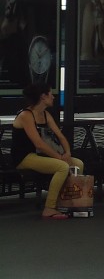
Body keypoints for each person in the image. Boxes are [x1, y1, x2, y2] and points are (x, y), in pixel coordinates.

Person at [10, 82, 84, 219]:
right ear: (43, 96)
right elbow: (38, 143)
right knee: (62, 166)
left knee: (77, 164)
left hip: (41, 155)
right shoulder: (26, 115)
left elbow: (60, 136)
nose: (53, 97)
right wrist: (59, 157)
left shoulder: (45, 115)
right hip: (25, 157)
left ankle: (67, 201)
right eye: (51, 94)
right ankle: (49, 207)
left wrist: (67, 153)